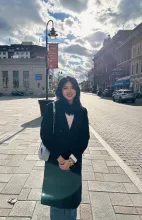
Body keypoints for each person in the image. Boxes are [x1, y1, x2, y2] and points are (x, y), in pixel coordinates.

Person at [40, 76, 90, 220]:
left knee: (71, 203)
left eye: (72, 87)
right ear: (60, 90)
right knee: (56, 202)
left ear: (77, 90)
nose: (69, 91)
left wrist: (71, 160)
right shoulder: (52, 108)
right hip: (55, 162)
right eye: (65, 87)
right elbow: (45, 135)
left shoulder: (82, 111)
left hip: (73, 164)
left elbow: (84, 139)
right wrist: (60, 159)